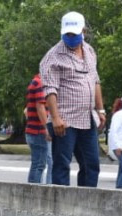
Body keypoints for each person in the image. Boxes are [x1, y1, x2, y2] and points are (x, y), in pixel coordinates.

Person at [39, 11, 106, 187]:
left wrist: (100, 109)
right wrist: (55, 118)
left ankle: (87, 204)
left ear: (83, 31)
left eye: (74, 34)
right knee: (62, 165)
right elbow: (50, 89)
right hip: (65, 120)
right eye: (67, 34)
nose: (70, 37)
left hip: (87, 118)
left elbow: (95, 80)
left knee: (91, 164)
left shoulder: (90, 51)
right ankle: (62, 208)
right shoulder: (52, 56)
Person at [25, 73, 52, 183]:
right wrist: (47, 128)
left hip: (33, 131)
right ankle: (33, 193)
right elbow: (40, 106)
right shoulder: (41, 83)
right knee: (39, 165)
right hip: (38, 132)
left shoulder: (36, 81)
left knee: (37, 163)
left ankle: (33, 191)